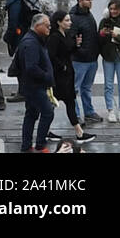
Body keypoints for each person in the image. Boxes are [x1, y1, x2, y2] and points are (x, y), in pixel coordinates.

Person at [46, 11, 96, 144]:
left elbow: (69, 51)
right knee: (54, 103)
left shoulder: (66, 34)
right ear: (59, 22)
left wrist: (77, 44)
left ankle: (78, 132)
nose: (70, 22)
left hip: (68, 74)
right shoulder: (54, 37)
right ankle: (47, 130)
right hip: (59, 76)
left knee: (68, 102)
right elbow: (51, 55)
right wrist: (62, 66)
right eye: (67, 20)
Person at [15, 12, 55, 154]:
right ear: (37, 26)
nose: (49, 27)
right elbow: (31, 67)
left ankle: (26, 146)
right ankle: (40, 144)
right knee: (48, 113)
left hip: (33, 85)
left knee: (31, 114)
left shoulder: (35, 39)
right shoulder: (31, 42)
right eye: (47, 25)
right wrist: (46, 76)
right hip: (34, 86)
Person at [69, 0, 103, 127]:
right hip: (79, 60)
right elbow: (71, 39)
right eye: (88, 0)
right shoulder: (73, 17)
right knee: (74, 89)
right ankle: (75, 115)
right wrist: (79, 50)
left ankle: (89, 112)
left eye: (91, 0)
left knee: (87, 88)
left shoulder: (88, 14)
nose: (91, 2)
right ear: (80, 0)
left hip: (92, 59)